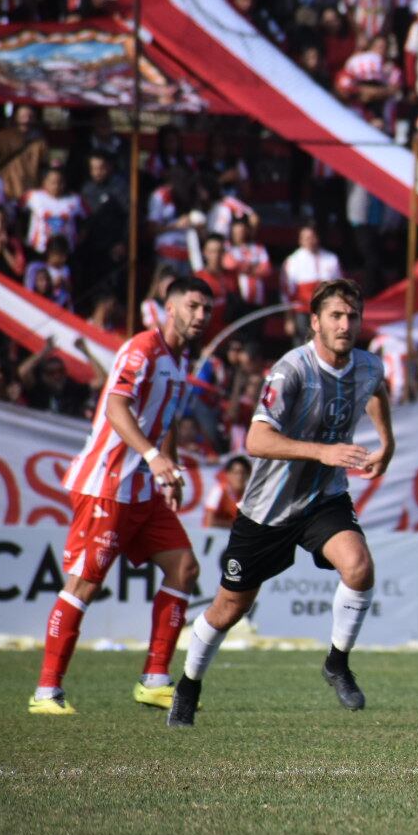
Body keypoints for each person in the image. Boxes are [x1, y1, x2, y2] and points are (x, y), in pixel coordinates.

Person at [168, 279, 393, 727]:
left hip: (323, 498)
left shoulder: (367, 366)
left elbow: (376, 391)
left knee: (359, 567)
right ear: (315, 322)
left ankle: (337, 663)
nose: (345, 324)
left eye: (352, 317)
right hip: (267, 509)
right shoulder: (291, 370)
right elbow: (255, 438)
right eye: (335, 316)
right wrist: (323, 452)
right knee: (229, 608)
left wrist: (387, 442)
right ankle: (188, 686)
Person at [28, 277, 216, 716]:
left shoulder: (177, 359)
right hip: (107, 484)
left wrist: (167, 467)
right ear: (169, 308)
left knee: (184, 568)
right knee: (84, 584)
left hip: (142, 489)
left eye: (207, 309)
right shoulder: (142, 348)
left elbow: (162, 422)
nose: (201, 316)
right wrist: (152, 457)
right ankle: (46, 692)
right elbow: (116, 406)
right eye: (193, 306)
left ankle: (153, 680)